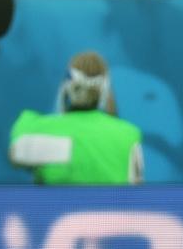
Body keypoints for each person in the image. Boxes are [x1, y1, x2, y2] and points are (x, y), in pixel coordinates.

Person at [9, 51, 144, 185]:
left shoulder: (33, 128)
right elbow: (136, 188)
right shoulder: (128, 136)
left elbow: (16, 155)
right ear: (105, 89)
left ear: (67, 84)